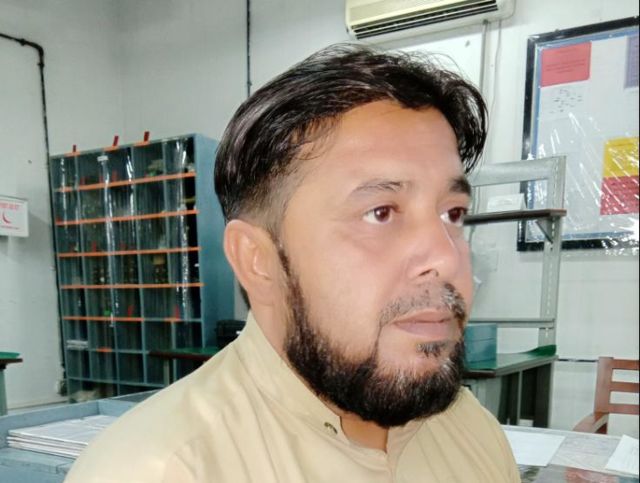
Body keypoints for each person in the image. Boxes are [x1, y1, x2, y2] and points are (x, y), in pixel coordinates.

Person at [66, 44, 520, 482]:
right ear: (258, 260)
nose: (446, 257)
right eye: (381, 213)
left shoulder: (471, 430)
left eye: (452, 213)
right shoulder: (158, 471)